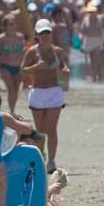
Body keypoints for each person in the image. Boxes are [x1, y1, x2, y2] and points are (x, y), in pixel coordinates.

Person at [22, 19, 69, 173]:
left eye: (47, 32)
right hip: (38, 91)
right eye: (42, 33)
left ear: (51, 33)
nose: (45, 35)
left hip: (54, 91)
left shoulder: (58, 51)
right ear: (37, 34)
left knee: (51, 127)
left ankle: (52, 161)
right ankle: (40, 155)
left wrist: (65, 70)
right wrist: (36, 67)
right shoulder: (32, 51)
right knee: (40, 129)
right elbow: (23, 70)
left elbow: (64, 65)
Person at [0, 14, 25, 114]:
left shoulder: (20, 37)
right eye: (11, 24)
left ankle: (13, 109)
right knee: (11, 89)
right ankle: (11, 111)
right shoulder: (1, 39)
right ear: (5, 26)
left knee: (16, 89)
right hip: (6, 67)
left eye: (15, 24)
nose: (14, 26)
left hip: (18, 67)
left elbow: (23, 53)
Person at [80, 3, 104, 83]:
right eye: (90, 12)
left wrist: (102, 41)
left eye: (93, 12)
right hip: (88, 40)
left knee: (96, 58)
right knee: (91, 60)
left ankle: (97, 75)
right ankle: (94, 76)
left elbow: (103, 31)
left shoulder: (100, 19)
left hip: (97, 40)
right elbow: (82, 31)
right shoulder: (85, 19)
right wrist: (81, 41)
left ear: (96, 12)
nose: (91, 13)